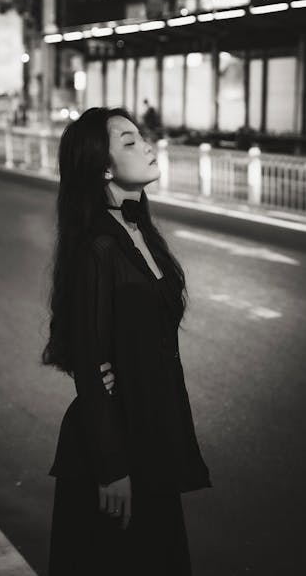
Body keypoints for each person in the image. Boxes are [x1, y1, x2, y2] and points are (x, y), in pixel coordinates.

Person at [42, 106, 212, 575]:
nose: (148, 146)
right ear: (102, 165)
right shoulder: (97, 247)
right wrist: (112, 467)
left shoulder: (141, 233)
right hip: (115, 449)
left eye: (142, 137)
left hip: (152, 433)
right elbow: (91, 362)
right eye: (130, 141)